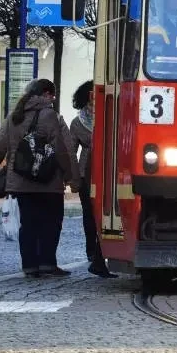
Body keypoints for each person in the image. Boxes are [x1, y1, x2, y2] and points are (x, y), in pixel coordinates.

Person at [0, 79, 79, 278]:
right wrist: (71, 177)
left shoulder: (15, 115)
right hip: (49, 180)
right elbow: (63, 149)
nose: (53, 99)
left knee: (28, 224)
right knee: (51, 222)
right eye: (52, 95)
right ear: (46, 94)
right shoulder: (50, 115)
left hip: (21, 180)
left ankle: (30, 265)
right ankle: (47, 263)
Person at [69, 81, 116, 278]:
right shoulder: (78, 122)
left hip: (107, 169)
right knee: (89, 214)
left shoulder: (110, 114)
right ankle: (93, 252)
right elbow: (71, 151)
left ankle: (99, 253)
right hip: (87, 172)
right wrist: (72, 178)